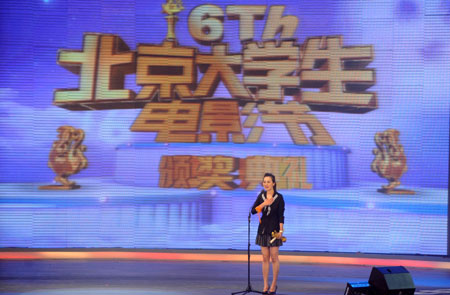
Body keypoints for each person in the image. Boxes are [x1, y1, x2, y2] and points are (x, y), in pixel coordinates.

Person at [251, 173, 285, 295]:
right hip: (263, 230)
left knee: (274, 257)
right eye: (264, 181)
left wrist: (281, 231)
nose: (266, 184)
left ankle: (274, 284)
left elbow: (281, 215)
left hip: (274, 231)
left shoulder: (279, 198)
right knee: (265, 258)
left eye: (268, 181)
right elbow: (253, 211)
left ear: (273, 183)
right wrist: (264, 203)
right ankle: (265, 284)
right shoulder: (261, 196)